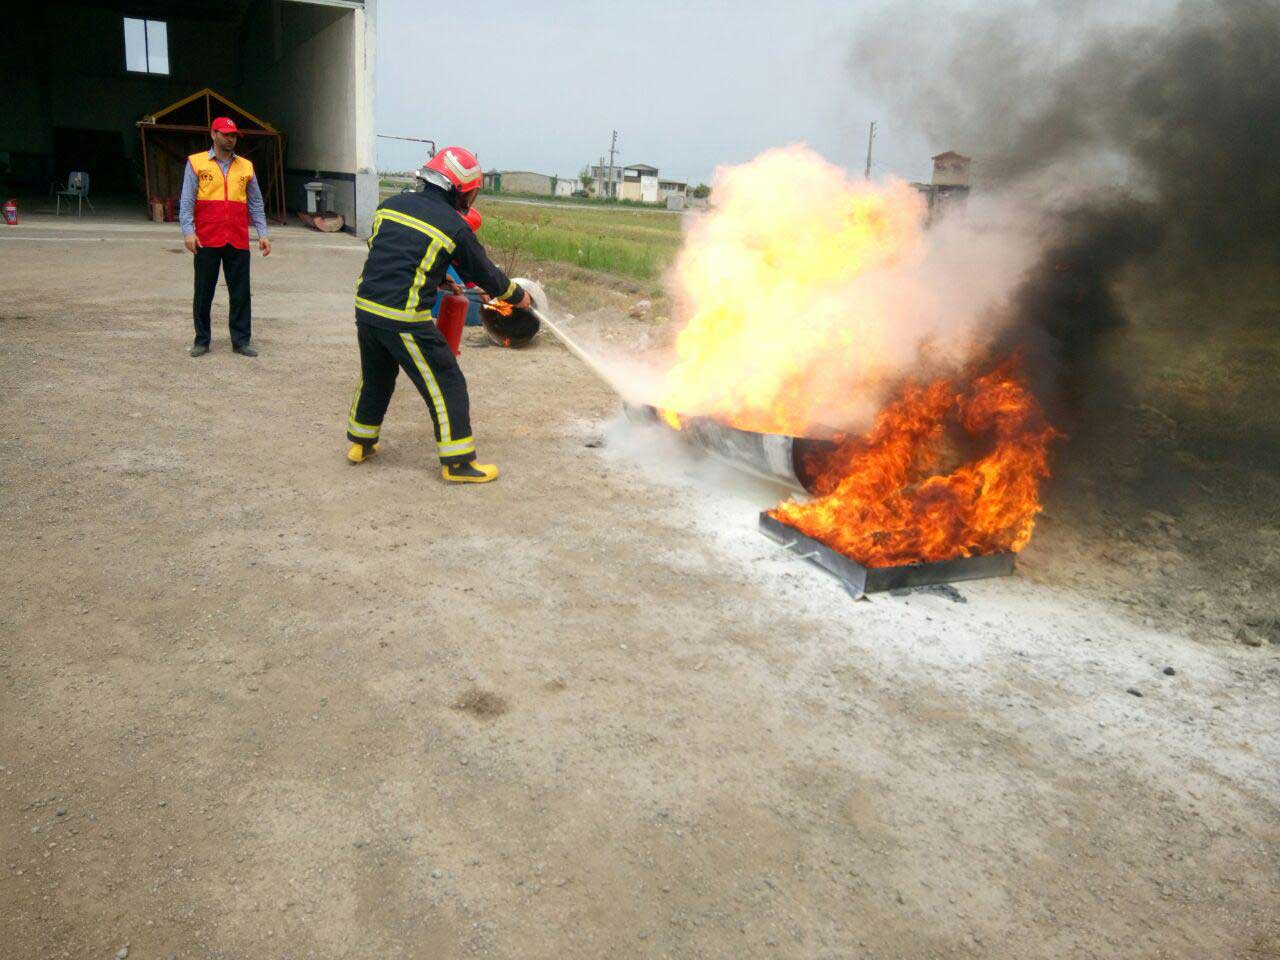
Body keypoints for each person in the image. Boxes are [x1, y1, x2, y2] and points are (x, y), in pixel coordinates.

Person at [345, 146, 530, 483]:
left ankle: (360, 442)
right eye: (473, 193)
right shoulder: (453, 225)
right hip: (403, 318)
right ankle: (458, 462)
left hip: (366, 308)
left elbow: (390, 252)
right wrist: (518, 296)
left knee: (376, 377)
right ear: (460, 190)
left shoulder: (389, 207)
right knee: (447, 381)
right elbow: (486, 274)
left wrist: (438, 277)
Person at [179, 117, 272, 357]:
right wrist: (188, 232)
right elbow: (187, 202)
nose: (231, 139)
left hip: (237, 238)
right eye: (226, 134)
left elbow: (256, 203)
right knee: (203, 291)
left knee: (240, 292)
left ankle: (241, 341)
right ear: (213, 134)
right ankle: (202, 340)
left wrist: (263, 233)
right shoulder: (196, 163)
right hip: (206, 238)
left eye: (233, 136)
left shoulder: (246, 167)